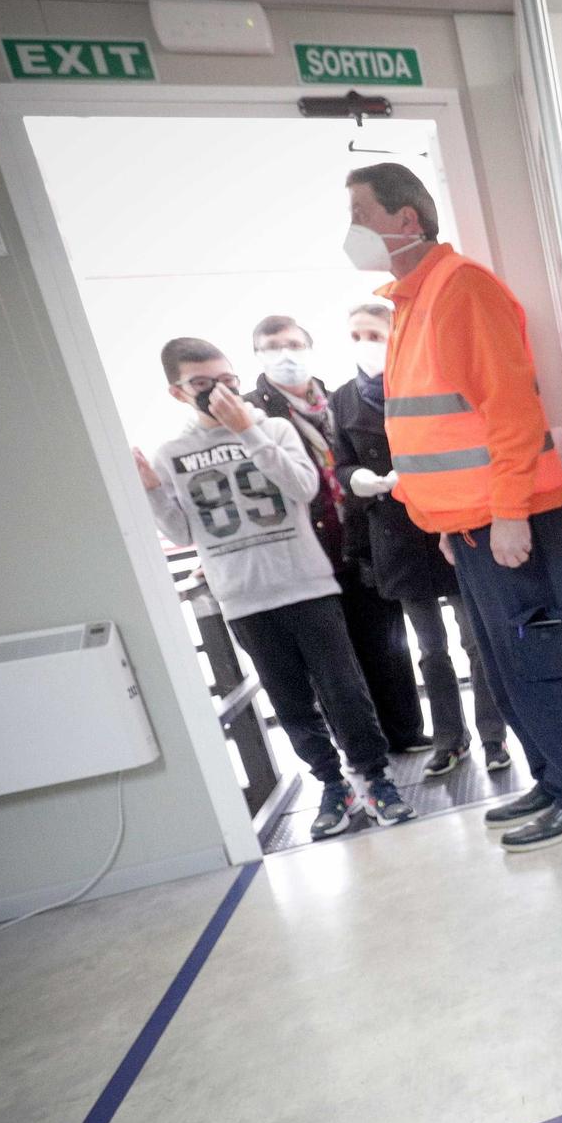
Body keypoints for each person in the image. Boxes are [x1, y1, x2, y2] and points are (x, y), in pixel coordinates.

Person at [343, 161, 562, 854]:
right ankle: (553, 778)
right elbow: (438, 430)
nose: (352, 233)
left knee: (535, 656)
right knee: (500, 661)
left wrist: (509, 512)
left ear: (406, 220)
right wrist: (446, 522)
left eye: (360, 216)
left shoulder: (460, 288)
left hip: (506, 518)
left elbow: (510, 409)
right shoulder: (413, 300)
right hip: (468, 525)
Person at [136, 338, 417, 839]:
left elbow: (304, 488)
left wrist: (250, 434)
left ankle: (376, 778)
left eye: (227, 381)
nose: (218, 392)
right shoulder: (171, 453)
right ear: (178, 393)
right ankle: (332, 784)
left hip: (306, 584)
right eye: (202, 385)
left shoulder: (275, 427)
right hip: (242, 595)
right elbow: (180, 533)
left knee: (345, 690)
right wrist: (154, 490)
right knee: (289, 701)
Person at [329, 301, 514, 777]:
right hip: (392, 532)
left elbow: (453, 442)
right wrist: (360, 480)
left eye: (373, 334)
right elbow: (342, 462)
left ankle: (494, 735)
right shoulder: (344, 399)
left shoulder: (424, 382)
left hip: (445, 523)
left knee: (476, 640)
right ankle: (450, 739)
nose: (364, 345)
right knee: (430, 648)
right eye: (355, 336)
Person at [245, 314, 430, 753]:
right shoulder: (251, 413)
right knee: (331, 663)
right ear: (257, 356)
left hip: (363, 539)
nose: (285, 355)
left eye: (293, 344)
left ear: (310, 347)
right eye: (272, 347)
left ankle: (404, 733)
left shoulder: (337, 399)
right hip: (307, 550)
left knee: (387, 642)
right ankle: (361, 749)